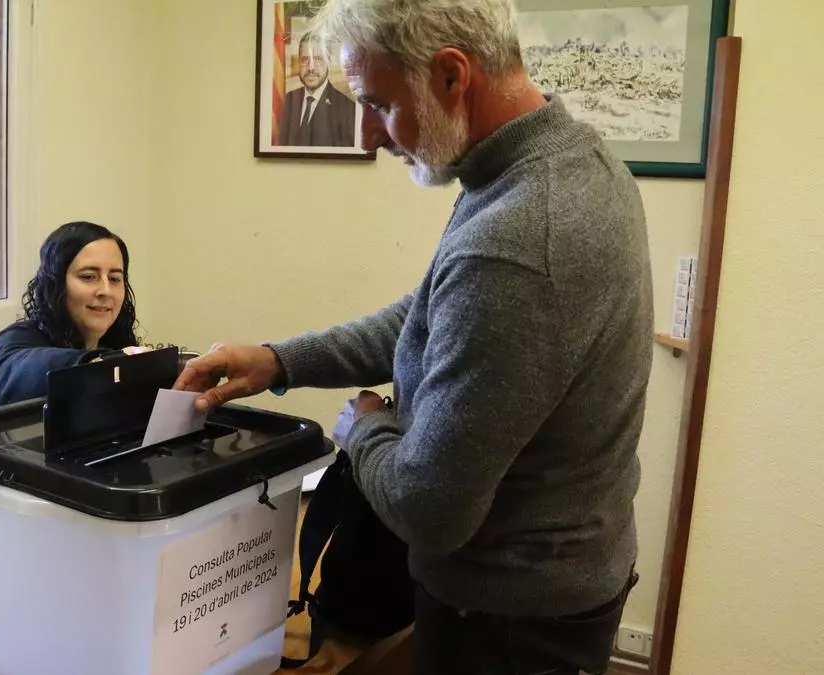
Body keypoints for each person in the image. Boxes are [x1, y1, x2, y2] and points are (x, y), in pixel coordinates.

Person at [175, 1, 652, 673]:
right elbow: (433, 316)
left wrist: (363, 425)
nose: (369, 136)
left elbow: (430, 509)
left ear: (453, 75)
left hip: (508, 618)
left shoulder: (515, 237)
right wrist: (279, 360)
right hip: (570, 573)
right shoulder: (567, 159)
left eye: (378, 104)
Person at [0, 221, 145, 565]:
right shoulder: (17, 340)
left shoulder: (117, 347)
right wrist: (102, 362)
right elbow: (20, 370)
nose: (105, 290)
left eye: (115, 278)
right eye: (89, 277)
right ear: (56, 284)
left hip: (65, 526)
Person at [277, 33, 357, 147]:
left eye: (318, 59)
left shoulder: (347, 109)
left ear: (329, 62)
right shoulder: (289, 99)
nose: (311, 68)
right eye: (305, 59)